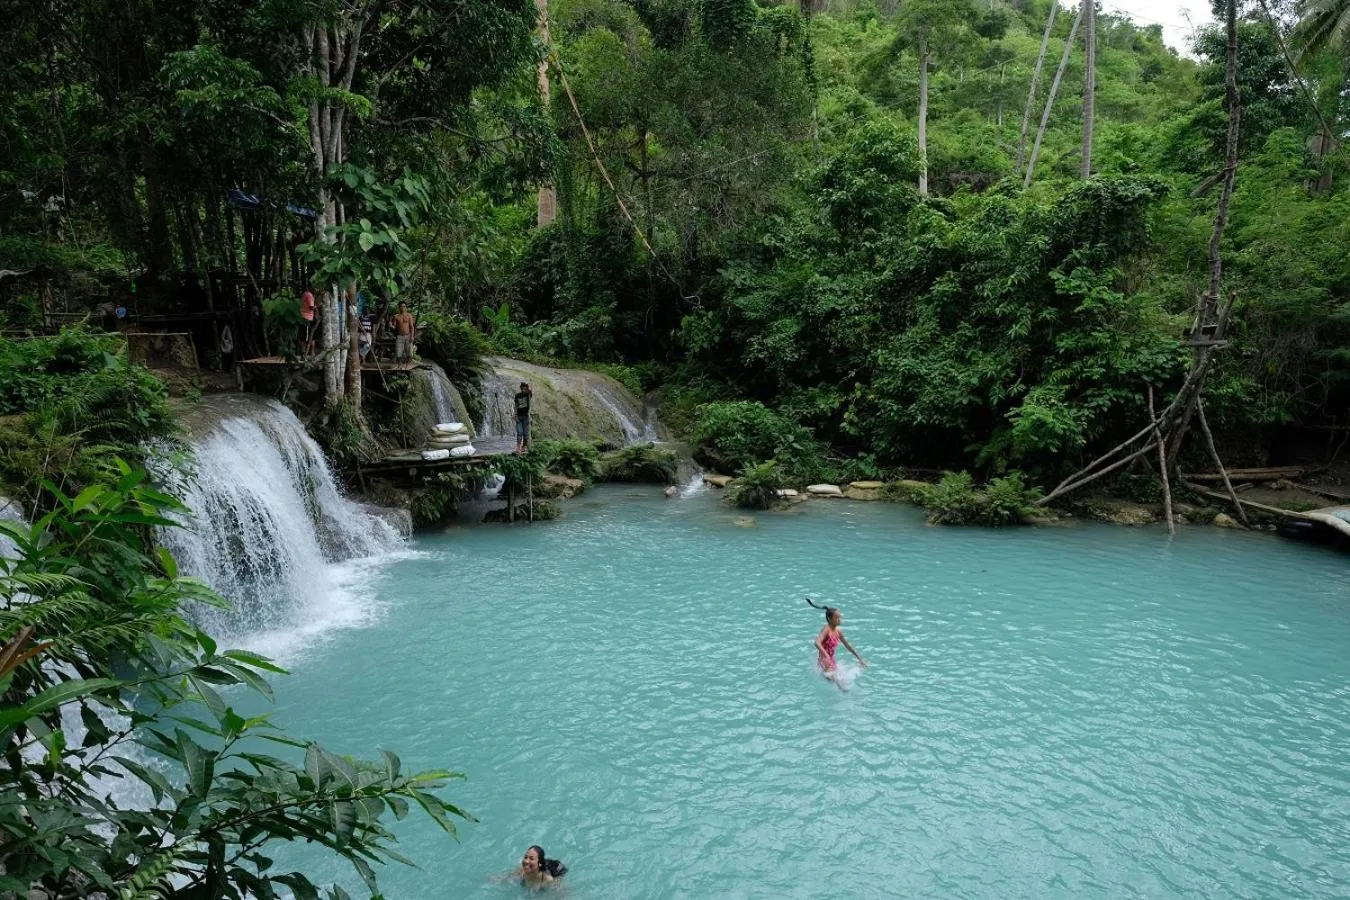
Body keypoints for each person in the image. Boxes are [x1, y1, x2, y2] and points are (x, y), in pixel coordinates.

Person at [808, 597, 867, 684]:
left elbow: (847, 645)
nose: (839, 619)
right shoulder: (826, 629)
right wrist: (826, 655)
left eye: (840, 617)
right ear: (830, 619)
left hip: (831, 661)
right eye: (836, 618)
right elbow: (816, 643)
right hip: (824, 661)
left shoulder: (838, 631)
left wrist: (859, 658)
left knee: (842, 684)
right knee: (838, 683)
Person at [514, 382, 532, 454]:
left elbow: (530, 390)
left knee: (525, 434)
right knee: (519, 432)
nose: (524, 390)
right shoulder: (517, 395)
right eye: (523, 389)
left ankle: (523, 447)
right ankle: (518, 447)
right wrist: (515, 415)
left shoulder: (528, 395)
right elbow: (516, 406)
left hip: (526, 417)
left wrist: (529, 386)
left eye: (525, 389)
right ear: (521, 389)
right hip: (519, 417)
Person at [300, 289, 317, 357]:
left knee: (308, 336)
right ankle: (305, 354)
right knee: (306, 337)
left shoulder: (305, 294)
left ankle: (310, 353)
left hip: (305, 317)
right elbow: (311, 307)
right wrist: (318, 306)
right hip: (307, 318)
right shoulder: (309, 295)